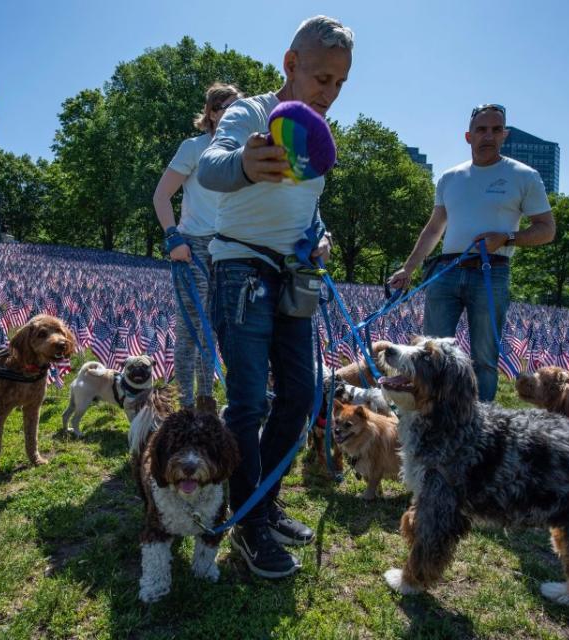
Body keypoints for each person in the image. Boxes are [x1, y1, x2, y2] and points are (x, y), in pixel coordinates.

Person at [197, 15, 352, 579]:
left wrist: (323, 236)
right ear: (290, 65)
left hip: (294, 275)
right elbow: (212, 167)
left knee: (301, 393)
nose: (330, 92)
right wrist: (242, 162)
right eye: (321, 78)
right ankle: (249, 526)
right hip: (240, 270)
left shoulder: (317, 134)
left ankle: (265, 498)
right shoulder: (250, 112)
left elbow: (306, 208)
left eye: (339, 83)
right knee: (248, 404)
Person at [388, 104, 556, 402]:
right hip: (445, 271)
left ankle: (480, 427)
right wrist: (408, 268)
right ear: (469, 136)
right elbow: (433, 229)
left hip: (492, 272)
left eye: (495, 129)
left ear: (504, 135)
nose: (488, 136)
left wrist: (508, 238)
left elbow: (546, 230)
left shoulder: (525, 176)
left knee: (485, 357)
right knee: (430, 354)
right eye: (481, 129)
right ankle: (433, 421)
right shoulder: (450, 178)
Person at [153, 83, 242, 413]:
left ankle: (206, 401)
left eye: (241, 109)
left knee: (214, 330)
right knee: (191, 328)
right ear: (213, 113)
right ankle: (185, 406)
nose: (237, 115)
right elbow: (161, 196)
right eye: (230, 108)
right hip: (192, 248)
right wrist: (173, 238)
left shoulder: (243, 154)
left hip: (229, 250)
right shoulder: (193, 148)